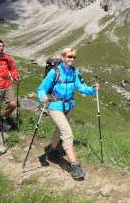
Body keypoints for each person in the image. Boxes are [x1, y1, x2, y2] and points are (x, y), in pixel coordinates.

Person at [36, 47, 99, 180]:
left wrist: (92, 89)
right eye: (69, 56)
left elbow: (81, 87)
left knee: (60, 130)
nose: (71, 59)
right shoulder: (54, 72)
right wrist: (42, 96)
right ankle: (75, 165)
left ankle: (52, 151)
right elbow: (42, 88)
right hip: (54, 106)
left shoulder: (74, 72)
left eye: (73, 57)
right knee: (67, 133)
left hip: (69, 106)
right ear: (63, 57)